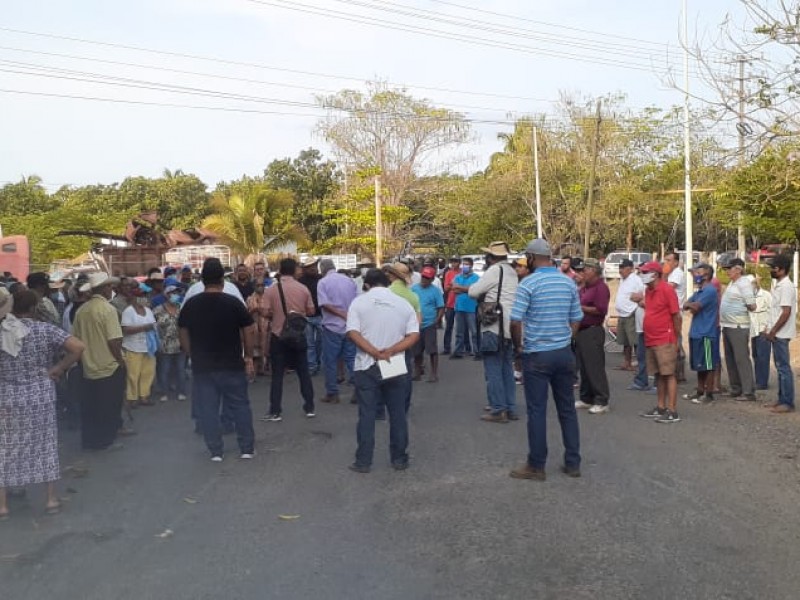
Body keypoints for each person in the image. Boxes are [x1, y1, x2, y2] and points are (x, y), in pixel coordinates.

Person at [0, 289, 85, 519]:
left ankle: (3, 505)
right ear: (34, 307)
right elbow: (78, 348)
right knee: (44, 445)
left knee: (6, 447)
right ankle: (50, 500)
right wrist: (58, 369)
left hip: (6, 397)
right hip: (40, 395)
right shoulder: (44, 330)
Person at [508, 239, 582, 481]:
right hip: (563, 353)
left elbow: (516, 320)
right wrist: (565, 339)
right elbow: (576, 318)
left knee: (537, 410)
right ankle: (573, 462)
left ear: (531, 257)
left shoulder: (528, 283)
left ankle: (536, 465)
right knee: (567, 409)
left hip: (537, 354)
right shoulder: (567, 282)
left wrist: (518, 347)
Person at [178, 258, 256, 461]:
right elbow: (248, 329)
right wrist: (248, 356)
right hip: (232, 364)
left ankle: (216, 451)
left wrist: (190, 353)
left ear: (202, 280)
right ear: (223, 280)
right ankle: (246, 448)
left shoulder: (191, 304)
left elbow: (182, 330)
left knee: (209, 409)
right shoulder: (233, 303)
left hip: (203, 366)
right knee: (240, 406)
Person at [346, 269, 419, 473]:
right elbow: (413, 334)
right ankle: (399, 458)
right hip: (394, 362)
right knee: (397, 413)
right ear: (387, 283)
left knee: (367, 414)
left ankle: (363, 461)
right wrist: (392, 350)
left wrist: (373, 352)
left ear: (367, 284)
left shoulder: (359, 303)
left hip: (366, 363)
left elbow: (352, 332)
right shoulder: (402, 304)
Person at [72, 272, 130, 450]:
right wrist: (120, 360)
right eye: (110, 287)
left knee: (90, 406)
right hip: (108, 366)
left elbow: (75, 338)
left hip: (88, 365)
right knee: (109, 405)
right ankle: (106, 440)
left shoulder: (82, 310)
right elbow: (114, 340)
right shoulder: (108, 310)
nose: (111, 290)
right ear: (105, 289)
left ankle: (90, 440)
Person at [467, 241, 519, 422]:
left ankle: (498, 409)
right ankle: (510, 407)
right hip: (510, 326)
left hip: (493, 325)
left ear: (491, 257)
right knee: (506, 369)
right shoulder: (512, 271)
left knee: (493, 369)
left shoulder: (494, 270)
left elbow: (474, 292)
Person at [262, 258, 317, 422]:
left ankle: (275, 410)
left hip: (278, 335)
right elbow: (311, 311)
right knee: (303, 372)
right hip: (299, 335)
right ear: (294, 270)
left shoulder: (271, 290)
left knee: (277, 375)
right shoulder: (303, 288)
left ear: (280, 270)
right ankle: (309, 407)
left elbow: (265, 312)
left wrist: (277, 315)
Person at [638, 262, 682, 424]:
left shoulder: (666, 289)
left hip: (665, 338)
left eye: (645, 272)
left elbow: (676, 315)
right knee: (658, 374)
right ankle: (661, 406)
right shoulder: (649, 290)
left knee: (669, 373)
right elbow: (652, 309)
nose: (642, 275)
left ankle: (672, 410)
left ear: (655, 274)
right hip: (652, 338)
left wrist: (676, 339)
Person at [317, 258, 357, 403]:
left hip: (332, 326)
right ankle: (358, 390)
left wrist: (340, 314)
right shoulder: (348, 280)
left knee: (330, 361)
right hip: (349, 325)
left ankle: (332, 392)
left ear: (322, 269)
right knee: (351, 358)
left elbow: (324, 304)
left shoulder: (323, 283)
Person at [574, 258, 611, 414]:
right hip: (581, 330)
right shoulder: (584, 288)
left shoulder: (600, 288)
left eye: (585, 270)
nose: (582, 273)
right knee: (584, 367)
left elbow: (601, 310)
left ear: (594, 271)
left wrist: (581, 308)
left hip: (592, 330)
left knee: (594, 367)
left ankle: (601, 400)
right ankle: (586, 397)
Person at [719, 258, 757, 401]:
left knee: (741, 359)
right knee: (730, 359)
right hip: (728, 325)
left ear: (739, 269)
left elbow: (752, 305)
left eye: (729, 268)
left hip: (739, 326)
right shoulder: (732, 283)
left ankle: (748, 391)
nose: (727, 271)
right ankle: (736, 388)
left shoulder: (744, 284)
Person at [682, 263, 720, 405]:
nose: (694, 275)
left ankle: (708, 394)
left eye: (697, 272)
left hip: (707, 333)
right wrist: (690, 305)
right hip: (697, 332)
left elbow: (694, 306)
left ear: (706, 275)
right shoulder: (699, 291)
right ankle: (699, 390)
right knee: (699, 365)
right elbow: (687, 304)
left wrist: (690, 305)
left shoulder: (710, 290)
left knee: (709, 365)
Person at [764, 254, 796, 414]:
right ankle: (781, 399)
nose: (771, 270)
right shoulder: (778, 285)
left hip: (781, 334)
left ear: (782, 270)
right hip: (776, 332)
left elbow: (786, 312)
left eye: (774, 268)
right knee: (779, 367)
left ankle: (787, 402)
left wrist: (774, 330)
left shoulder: (786, 287)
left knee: (783, 368)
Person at [121, 286, 157, 408]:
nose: (144, 298)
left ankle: (144, 396)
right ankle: (132, 398)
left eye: (145, 296)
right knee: (133, 374)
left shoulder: (148, 310)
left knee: (148, 372)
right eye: (142, 296)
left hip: (148, 346)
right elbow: (125, 329)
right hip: (133, 346)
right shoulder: (128, 311)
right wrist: (144, 328)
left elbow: (153, 325)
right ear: (135, 298)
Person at [153, 282, 188, 402]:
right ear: (166, 294)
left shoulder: (182, 308)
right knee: (164, 369)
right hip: (164, 345)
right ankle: (164, 392)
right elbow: (154, 327)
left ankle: (182, 391)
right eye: (172, 293)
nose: (175, 295)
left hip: (180, 343)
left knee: (180, 369)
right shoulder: (158, 310)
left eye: (177, 293)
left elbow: (187, 326)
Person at [411, 265, 445, 383]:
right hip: (416, 324)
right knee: (416, 351)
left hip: (429, 323)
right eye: (423, 277)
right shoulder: (414, 289)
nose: (424, 280)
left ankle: (434, 373)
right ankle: (417, 372)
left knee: (432, 350)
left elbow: (441, 307)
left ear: (431, 279)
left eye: (427, 278)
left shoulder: (435, 291)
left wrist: (437, 320)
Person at [614, 258, 643, 371]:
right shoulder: (622, 279)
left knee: (634, 341)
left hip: (631, 313)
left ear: (630, 269)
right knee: (625, 341)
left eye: (623, 268)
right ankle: (627, 362)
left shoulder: (636, 280)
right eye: (620, 268)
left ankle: (641, 365)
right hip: (622, 313)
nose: (620, 270)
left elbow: (641, 294)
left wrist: (635, 307)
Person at [664, 252, 687, 382]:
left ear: (676, 262)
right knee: (673, 340)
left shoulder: (677, 273)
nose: (666, 263)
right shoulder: (673, 273)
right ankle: (678, 372)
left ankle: (678, 373)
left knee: (675, 341)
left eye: (669, 260)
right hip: (671, 311)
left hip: (675, 312)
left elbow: (666, 288)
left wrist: (664, 274)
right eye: (665, 260)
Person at [450, 257, 480, 359]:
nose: (464, 266)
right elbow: (454, 289)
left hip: (471, 308)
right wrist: (467, 289)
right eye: (463, 264)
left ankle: (477, 352)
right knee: (459, 332)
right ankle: (458, 352)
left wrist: (461, 288)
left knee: (474, 332)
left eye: (466, 264)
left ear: (471, 265)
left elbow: (475, 289)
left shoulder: (476, 277)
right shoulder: (457, 276)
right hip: (459, 308)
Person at [298, 258, 323, 376]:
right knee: (309, 343)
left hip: (321, 315)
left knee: (321, 342)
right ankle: (312, 366)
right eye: (310, 266)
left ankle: (318, 362)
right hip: (306, 316)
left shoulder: (321, 279)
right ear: (305, 268)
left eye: (314, 265)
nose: (313, 267)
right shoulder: (300, 281)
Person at [747, 274, 772, 390]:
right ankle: (759, 381)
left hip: (764, 330)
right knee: (756, 356)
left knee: (764, 357)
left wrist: (769, 328)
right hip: (753, 330)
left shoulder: (766, 295)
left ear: (755, 283)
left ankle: (763, 382)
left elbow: (773, 311)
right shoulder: (747, 297)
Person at [246, 278, 271, 376]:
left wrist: (265, 312)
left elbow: (273, 312)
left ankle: (265, 368)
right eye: (258, 285)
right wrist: (254, 310)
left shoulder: (269, 297)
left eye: (262, 285)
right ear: (254, 286)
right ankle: (254, 371)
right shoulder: (249, 298)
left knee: (267, 349)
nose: (260, 287)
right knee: (255, 351)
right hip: (255, 327)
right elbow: (246, 314)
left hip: (267, 326)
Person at [442, 255, 461, 354]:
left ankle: (461, 349)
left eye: (456, 261)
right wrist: (453, 285)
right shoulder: (448, 273)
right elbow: (446, 288)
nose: (454, 263)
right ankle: (446, 348)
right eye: (452, 261)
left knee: (461, 329)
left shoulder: (462, 273)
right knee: (448, 327)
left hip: (461, 304)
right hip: (450, 303)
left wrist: (457, 286)